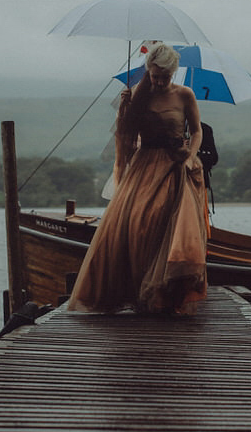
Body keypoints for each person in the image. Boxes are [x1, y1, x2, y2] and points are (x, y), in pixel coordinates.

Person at [68, 43, 209, 314]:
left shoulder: (185, 95)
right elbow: (125, 140)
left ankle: (164, 293)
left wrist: (190, 156)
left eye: (164, 77)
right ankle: (135, 290)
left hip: (176, 166)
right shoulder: (137, 96)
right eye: (154, 76)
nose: (158, 81)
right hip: (145, 165)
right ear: (149, 70)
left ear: (173, 73)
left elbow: (197, 131)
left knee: (168, 224)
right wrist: (125, 112)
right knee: (135, 222)